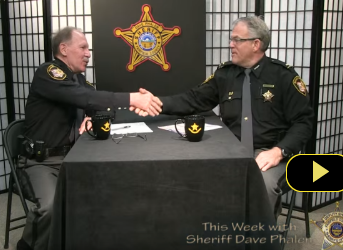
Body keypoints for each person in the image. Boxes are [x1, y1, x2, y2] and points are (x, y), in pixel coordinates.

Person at [132, 16, 314, 220]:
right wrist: (156, 102)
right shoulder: (225, 74)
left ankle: (261, 240)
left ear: (256, 44)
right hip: (230, 149)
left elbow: (304, 122)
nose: (231, 44)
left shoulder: (284, 77)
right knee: (196, 175)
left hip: (270, 153)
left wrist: (278, 151)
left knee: (261, 184)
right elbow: (193, 100)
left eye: (237, 40)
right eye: (231, 39)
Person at [17, 27, 162, 250]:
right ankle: (27, 246)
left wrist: (91, 118)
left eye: (88, 48)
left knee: (108, 192)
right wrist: (133, 98)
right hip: (40, 162)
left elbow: (97, 104)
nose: (88, 53)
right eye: (83, 47)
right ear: (63, 49)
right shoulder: (49, 73)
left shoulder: (77, 78)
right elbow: (85, 97)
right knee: (50, 208)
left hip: (73, 158)